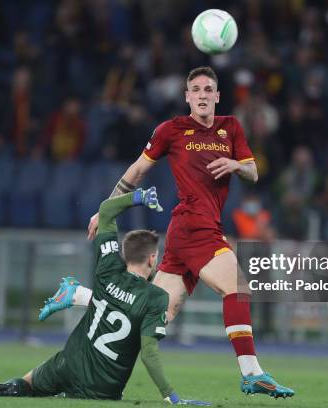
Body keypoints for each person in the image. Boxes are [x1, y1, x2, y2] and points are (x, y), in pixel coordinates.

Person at [87, 66, 294, 399]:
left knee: (154, 314)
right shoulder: (171, 130)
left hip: (196, 229)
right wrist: (105, 208)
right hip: (192, 224)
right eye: (195, 89)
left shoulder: (232, 127)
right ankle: (252, 373)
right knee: (237, 289)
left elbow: (254, 172)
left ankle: (79, 301)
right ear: (187, 97)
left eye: (207, 89)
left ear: (217, 96)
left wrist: (236, 165)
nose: (201, 94)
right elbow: (137, 170)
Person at [0, 187, 209, 405]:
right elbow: (148, 352)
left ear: (125, 254)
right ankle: (76, 296)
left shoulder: (108, 268)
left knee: (26, 386)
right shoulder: (156, 297)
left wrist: (139, 197)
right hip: (103, 388)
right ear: (152, 258)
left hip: (68, 363)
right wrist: (172, 396)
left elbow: (105, 210)